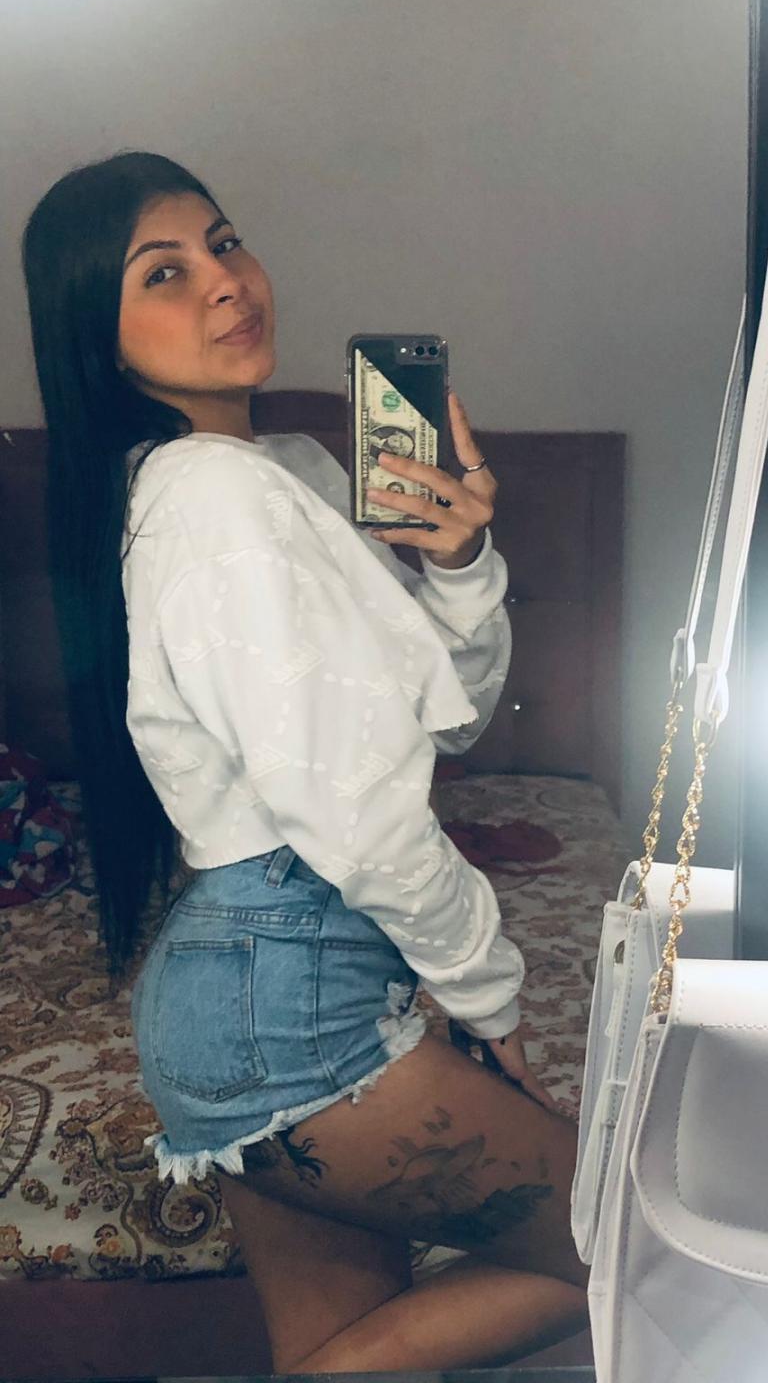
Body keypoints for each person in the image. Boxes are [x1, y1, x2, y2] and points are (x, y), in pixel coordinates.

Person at [20, 151, 589, 1373]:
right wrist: (488, 1001)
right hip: (288, 991)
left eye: (224, 244)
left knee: (340, 1352)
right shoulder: (212, 500)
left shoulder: (286, 477)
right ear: (98, 340)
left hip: (244, 992)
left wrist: (459, 564)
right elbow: (357, 809)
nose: (224, 282)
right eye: (163, 273)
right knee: (632, 1240)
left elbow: (443, 719)